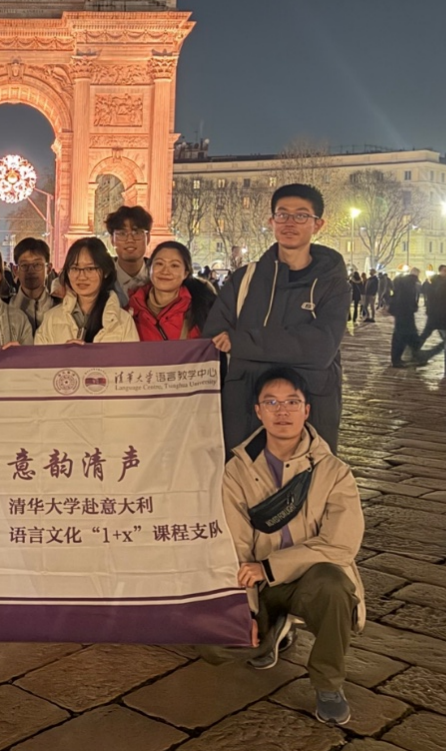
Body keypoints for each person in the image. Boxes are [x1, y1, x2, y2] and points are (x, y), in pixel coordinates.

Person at [219, 367, 365, 726]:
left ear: (306, 410)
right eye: (271, 402)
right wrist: (246, 611)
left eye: (291, 402)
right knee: (214, 646)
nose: (281, 411)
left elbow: (341, 546)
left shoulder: (334, 471)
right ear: (258, 411)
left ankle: (328, 684)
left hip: (309, 581)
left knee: (333, 585)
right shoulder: (236, 471)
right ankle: (272, 629)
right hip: (261, 585)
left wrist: (270, 568)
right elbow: (237, 546)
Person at [204, 184, 350, 454]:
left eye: (301, 215)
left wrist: (243, 343)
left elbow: (321, 347)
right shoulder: (244, 279)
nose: (289, 222)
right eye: (282, 214)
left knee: (306, 477)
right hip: (245, 405)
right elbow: (215, 339)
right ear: (271, 221)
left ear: (318, 224)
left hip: (310, 406)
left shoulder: (334, 284)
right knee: (243, 477)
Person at [36, 237, 139, 345]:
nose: (82, 276)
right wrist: (65, 354)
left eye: (90, 268)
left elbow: (131, 356)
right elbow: (39, 355)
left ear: (106, 271)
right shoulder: (51, 319)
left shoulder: (123, 322)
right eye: (75, 268)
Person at [129, 241, 216, 342]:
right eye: (159, 263)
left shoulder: (204, 310)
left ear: (186, 273)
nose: (165, 271)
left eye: (174, 265)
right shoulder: (131, 310)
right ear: (149, 269)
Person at [8, 237, 59, 332]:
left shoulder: (60, 307)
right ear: (15, 270)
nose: (31, 271)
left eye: (37, 265)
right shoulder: (5, 308)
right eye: (24, 265)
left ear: (48, 268)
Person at [105, 205, 154, 302]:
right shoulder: (101, 279)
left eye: (137, 233)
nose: (130, 240)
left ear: (148, 238)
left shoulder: (160, 278)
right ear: (112, 240)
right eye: (122, 234)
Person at [388, 268, 423, 368]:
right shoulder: (410, 283)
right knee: (404, 336)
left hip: (402, 312)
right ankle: (398, 360)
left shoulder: (404, 282)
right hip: (405, 312)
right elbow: (408, 298)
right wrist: (413, 307)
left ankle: (411, 356)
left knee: (405, 335)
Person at [418, 265, 446, 347]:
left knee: (444, 335)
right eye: (445, 270)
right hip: (435, 312)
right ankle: (414, 348)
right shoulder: (437, 283)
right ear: (440, 271)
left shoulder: (441, 282)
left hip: (437, 313)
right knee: (427, 333)